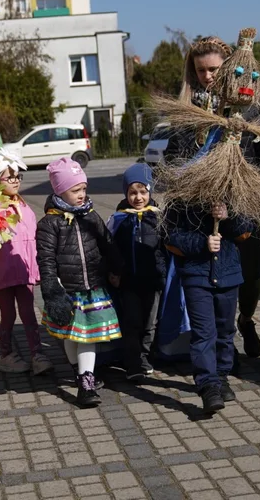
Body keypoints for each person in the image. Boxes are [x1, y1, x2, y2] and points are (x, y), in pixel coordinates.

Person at [166, 36, 260, 361]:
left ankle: (246, 318)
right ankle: (218, 345)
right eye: (201, 71)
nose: (208, 76)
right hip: (204, 210)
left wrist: (252, 179)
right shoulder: (189, 112)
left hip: (243, 206)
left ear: (228, 68)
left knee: (252, 272)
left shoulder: (248, 107)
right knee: (213, 274)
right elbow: (175, 157)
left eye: (213, 69)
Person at [37, 157, 120, 408]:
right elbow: (46, 259)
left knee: (86, 338)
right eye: (76, 190)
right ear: (60, 190)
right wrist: (52, 290)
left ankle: (86, 382)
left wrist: (116, 266)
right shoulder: (50, 223)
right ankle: (79, 372)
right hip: (68, 290)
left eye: (83, 188)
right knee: (72, 337)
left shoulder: (91, 216)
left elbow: (107, 243)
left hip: (92, 289)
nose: (82, 194)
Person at [164, 199, 253, 413]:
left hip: (228, 276)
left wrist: (227, 216)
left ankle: (221, 375)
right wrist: (202, 243)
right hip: (197, 278)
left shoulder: (233, 197)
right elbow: (171, 238)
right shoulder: (181, 202)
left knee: (225, 331)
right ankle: (208, 385)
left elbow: (246, 229)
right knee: (204, 333)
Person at [0, 149, 52, 375]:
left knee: (29, 311)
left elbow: (31, 237)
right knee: (8, 314)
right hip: (2, 271)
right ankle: (5, 354)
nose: (15, 180)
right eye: (9, 176)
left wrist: (37, 265)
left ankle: (37, 354)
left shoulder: (24, 206)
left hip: (23, 269)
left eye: (17, 175)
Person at [108, 163, 166, 383]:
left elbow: (164, 248)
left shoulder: (158, 219)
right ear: (126, 193)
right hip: (129, 282)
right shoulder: (119, 219)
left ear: (150, 191)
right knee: (132, 322)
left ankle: (145, 356)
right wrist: (114, 272)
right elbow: (111, 249)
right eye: (133, 192)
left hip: (153, 281)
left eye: (143, 192)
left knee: (150, 322)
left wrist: (163, 271)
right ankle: (133, 362)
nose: (138, 197)